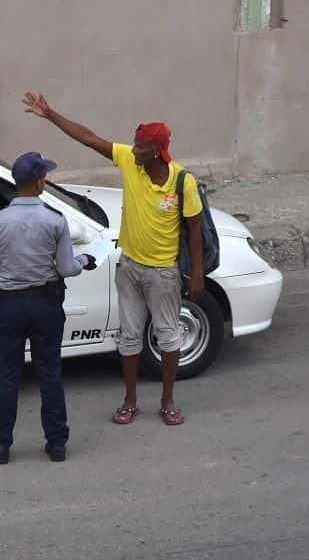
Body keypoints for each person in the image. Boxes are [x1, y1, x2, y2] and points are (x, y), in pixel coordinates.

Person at [22, 92, 204, 427]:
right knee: (130, 336)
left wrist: (197, 274)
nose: (132, 150)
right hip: (130, 267)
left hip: (163, 273)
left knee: (168, 335)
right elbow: (89, 138)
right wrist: (50, 114)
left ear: (157, 151)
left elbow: (194, 231)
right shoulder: (129, 163)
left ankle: (167, 402)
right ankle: (130, 401)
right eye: (134, 145)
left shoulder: (182, 181)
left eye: (140, 147)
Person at [0, 152, 98, 464]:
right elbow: (67, 268)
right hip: (45, 304)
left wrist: (0, 281)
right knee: (50, 373)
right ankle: (56, 443)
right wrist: (84, 262)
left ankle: (1, 445)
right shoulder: (55, 221)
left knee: (7, 375)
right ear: (40, 181)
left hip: (9, 306)